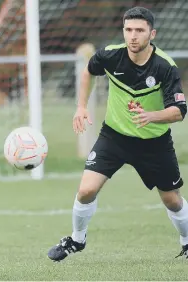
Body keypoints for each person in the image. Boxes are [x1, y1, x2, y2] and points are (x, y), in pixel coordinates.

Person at [47, 7, 188, 262]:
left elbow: (179, 111)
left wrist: (151, 116)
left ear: (151, 33)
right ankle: (77, 239)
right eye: (128, 30)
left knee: (172, 201)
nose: (133, 36)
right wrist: (80, 106)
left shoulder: (164, 66)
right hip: (114, 137)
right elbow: (89, 70)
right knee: (86, 190)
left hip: (154, 143)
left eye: (139, 30)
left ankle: (187, 241)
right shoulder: (111, 56)